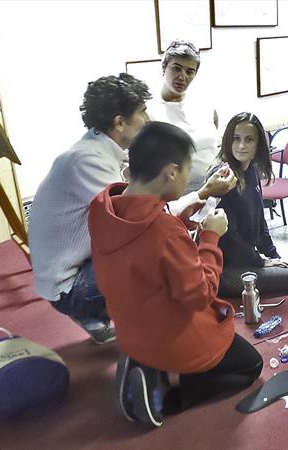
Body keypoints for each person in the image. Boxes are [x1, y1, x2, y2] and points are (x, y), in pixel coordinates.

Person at [28, 74, 234, 345]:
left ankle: (106, 317)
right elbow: (149, 224)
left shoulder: (93, 150)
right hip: (69, 287)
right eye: (141, 112)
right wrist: (205, 199)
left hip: (68, 269)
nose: (147, 119)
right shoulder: (89, 162)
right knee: (163, 256)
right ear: (120, 122)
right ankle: (153, 338)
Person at [88, 122, 263, 428]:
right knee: (251, 365)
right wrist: (210, 237)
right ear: (170, 172)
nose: (187, 178)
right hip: (169, 337)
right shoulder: (163, 231)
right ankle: (166, 393)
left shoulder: (104, 209)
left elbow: (147, 250)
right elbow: (200, 294)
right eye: (185, 171)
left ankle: (144, 363)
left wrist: (182, 220)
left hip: (132, 331)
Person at [209, 112, 288, 297]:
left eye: (249, 140)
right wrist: (261, 261)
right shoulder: (223, 178)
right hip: (227, 271)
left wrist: (274, 257)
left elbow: (260, 223)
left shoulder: (250, 170)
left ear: (258, 145)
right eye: (236, 139)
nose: (241, 146)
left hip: (248, 262)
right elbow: (229, 240)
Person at [147, 39, 219, 194]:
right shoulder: (148, 111)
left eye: (189, 71)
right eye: (176, 68)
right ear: (164, 67)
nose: (182, 76)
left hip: (214, 192)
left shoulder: (205, 105)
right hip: (172, 198)